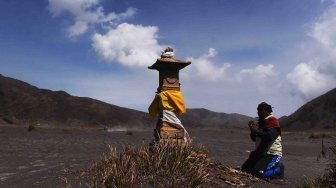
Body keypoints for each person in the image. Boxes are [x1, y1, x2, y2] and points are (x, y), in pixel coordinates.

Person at [241, 102, 284, 180]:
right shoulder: (262, 122)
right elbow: (254, 139)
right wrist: (252, 130)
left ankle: (278, 169)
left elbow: (270, 136)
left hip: (272, 153)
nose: (258, 112)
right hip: (262, 153)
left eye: (260, 110)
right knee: (245, 169)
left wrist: (256, 131)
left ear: (266, 111)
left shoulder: (273, 120)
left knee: (258, 173)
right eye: (257, 110)